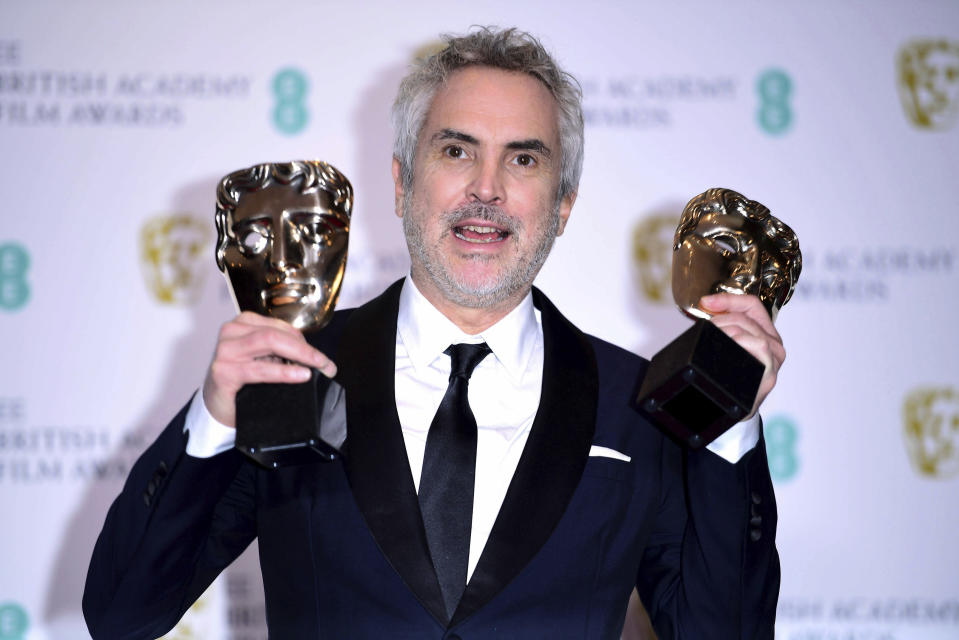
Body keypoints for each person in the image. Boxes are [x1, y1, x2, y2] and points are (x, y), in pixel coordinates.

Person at [83, 27, 783, 639]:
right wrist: (213, 419)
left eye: (523, 158)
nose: (486, 187)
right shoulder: (292, 371)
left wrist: (729, 425)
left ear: (563, 204)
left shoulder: (639, 404)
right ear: (400, 180)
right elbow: (122, 615)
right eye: (456, 150)